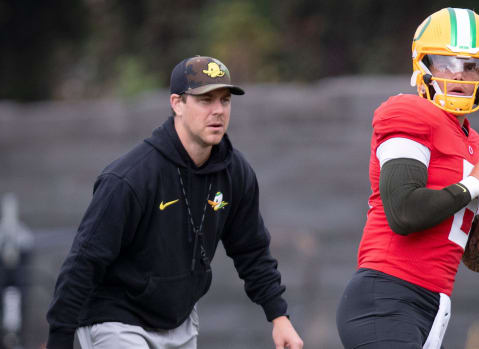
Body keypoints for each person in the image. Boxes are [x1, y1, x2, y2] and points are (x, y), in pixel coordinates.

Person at [46, 56, 304, 349]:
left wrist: (279, 317)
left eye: (225, 100)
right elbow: (84, 261)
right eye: (206, 100)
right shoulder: (131, 178)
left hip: (179, 323)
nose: (218, 110)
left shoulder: (235, 173)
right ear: (177, 103)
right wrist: (59, 339)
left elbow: (252, 250)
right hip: (117, 319)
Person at [336, 8, 479, 349]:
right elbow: (403, 212)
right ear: (424, 66)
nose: (459, 76)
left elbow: (477, 258)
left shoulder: (474, 144)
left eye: (471, 65)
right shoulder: (407, 112)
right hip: (386, 297)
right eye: (447, 63)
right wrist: (477, 183)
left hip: (431, 307)